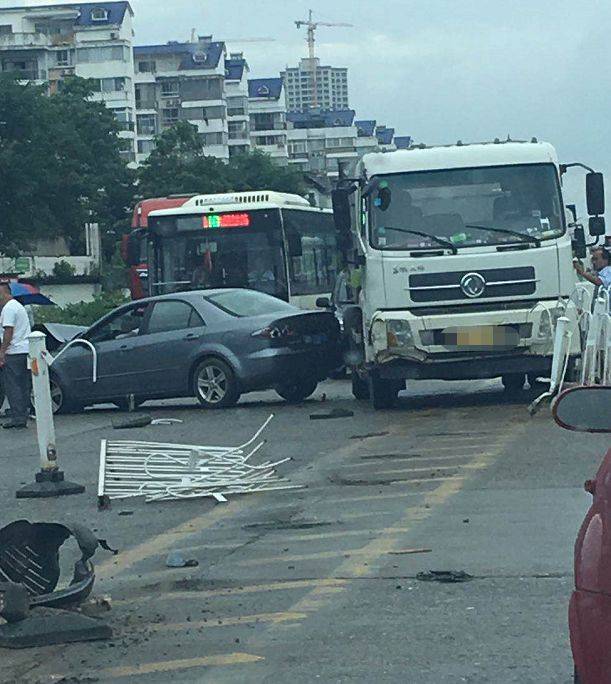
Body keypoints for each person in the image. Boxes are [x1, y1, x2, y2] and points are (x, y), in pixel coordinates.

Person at [0, 281, 32, 429]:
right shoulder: (18, 306)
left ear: (4, 292)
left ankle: (17, 417)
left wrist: (2, 351)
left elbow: (8, 331)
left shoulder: (8, 309)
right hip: (25, 350)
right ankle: (22, 413)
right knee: (22, 385)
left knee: (12, 386)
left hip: (13, 351)